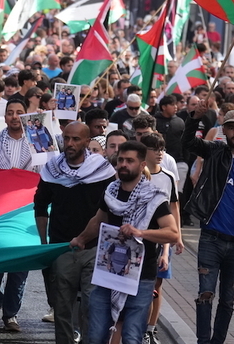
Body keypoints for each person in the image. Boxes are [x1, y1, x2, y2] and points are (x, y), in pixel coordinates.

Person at [71, 141, 177, 344]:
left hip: (141, 278)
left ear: (142, 164)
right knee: (95, 335)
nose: (123, 164)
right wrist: (81, 239)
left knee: (131, 337)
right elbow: (98, 220)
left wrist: (141, 232)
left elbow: (172, 233)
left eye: (130, 161)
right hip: (107, 274)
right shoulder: (111, 192)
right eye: (120, 160)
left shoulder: (153, 197)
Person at [183, 108, 234, 344]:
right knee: (205, 294)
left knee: (229, 299)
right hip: (211, 238)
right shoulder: (215, 152)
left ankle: (217, 341)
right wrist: (194, 118)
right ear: (224, 130)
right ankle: (203, 341)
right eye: (230, 127)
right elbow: (188, 141)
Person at [35, 121, 116, 344]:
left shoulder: (103, 171)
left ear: (87, 142)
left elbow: (112, 210)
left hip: (94, 249)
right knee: (62, 309)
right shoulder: (51, 170)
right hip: (62, 248)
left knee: (92, 307)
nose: (69, 143)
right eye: (66, 138)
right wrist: (45, 245)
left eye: (76, 139)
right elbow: (40, 206)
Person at [0, 98, 37, 333]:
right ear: (4, 117)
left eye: (19, 113)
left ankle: (11, 314)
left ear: (25, 116)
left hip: (26, 211)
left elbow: (47, 174)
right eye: (10, 112)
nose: (14, 116)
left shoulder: (38, 143)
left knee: (20, 264)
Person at [139, 133, 183, 344]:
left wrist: (178, 237)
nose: (160, 153)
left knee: (157, 285)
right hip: (140, 237)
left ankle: (150, 329)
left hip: (161, 237)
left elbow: (174, 207)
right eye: (155, 148)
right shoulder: (139, 174)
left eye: (162, 148)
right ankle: (138, 326)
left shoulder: (167, 177)